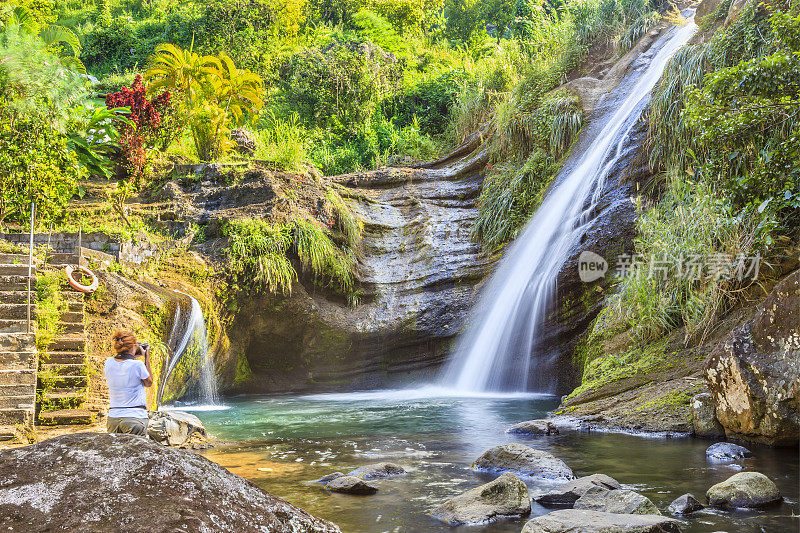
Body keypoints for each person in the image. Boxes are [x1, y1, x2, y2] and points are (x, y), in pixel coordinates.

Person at [104, 330, 153, 436]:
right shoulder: (138, 365)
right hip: (134, 418)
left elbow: (123, 364)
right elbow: (149, 383)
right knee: (136, 452)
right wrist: (146, 357)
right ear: (132, 347)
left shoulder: (108, 362)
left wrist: (131, 356)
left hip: (113, 419)